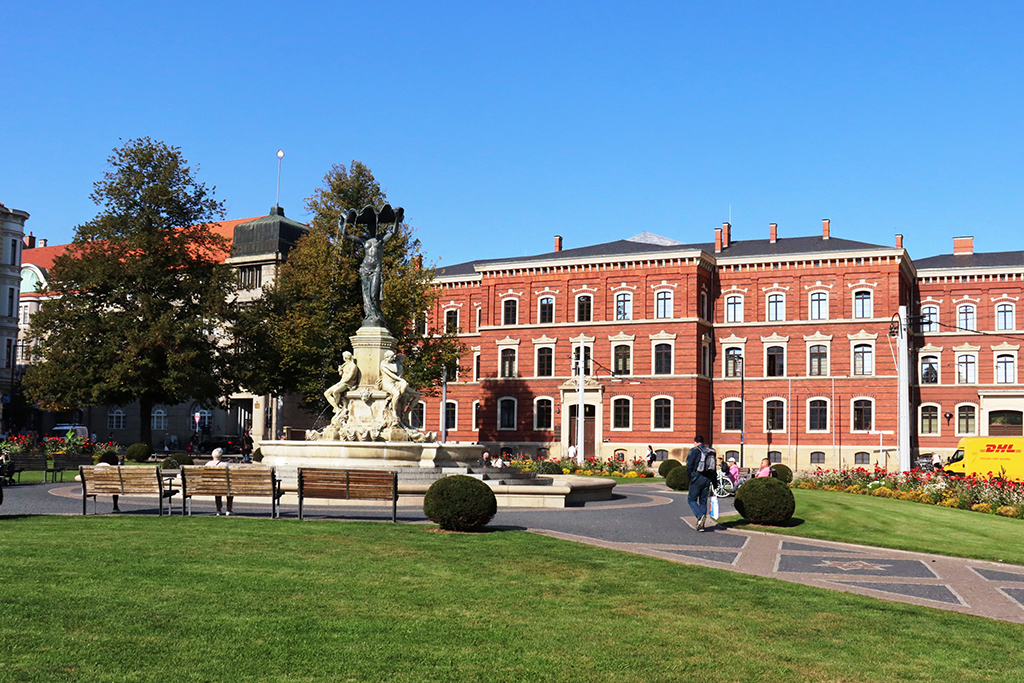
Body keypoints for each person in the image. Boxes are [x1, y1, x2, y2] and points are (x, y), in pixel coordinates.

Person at [685, 435, 714, 532]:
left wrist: (690, 477)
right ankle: (701, 525)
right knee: (703, 501)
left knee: (691, 499)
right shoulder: (710, 451)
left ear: (695, 442)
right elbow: (713, 469)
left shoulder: (694, 451)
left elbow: (689, 465)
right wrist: (714, 482)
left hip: (697, 477)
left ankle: (700, 516)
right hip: (707, 479)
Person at [205, 448, 233, 516]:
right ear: (221, 456)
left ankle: (218, 510)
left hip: (212, 486)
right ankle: (228, 510)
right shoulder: (225, 465)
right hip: (225, 486)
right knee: (229, 491)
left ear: (212, 456)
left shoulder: (208, 464)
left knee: (217, 490)